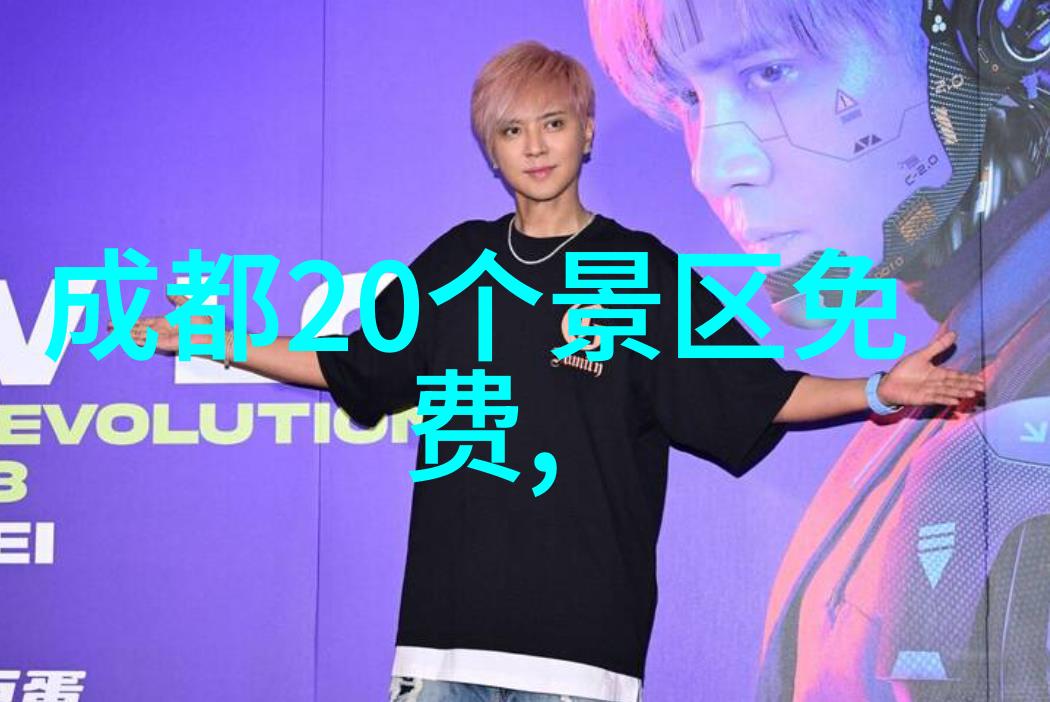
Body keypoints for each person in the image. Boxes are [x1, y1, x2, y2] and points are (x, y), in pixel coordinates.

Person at [118, 41, 982, 702]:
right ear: (491, 151)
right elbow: (350, 365)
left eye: (554, 123)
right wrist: (214, 337)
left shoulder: (639, 271)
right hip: (444, 648)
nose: (535, 146)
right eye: (511, 130)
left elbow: (752, 391)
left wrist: (878, 389)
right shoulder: (455, 264)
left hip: (580, 653)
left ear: (588, 131)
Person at [586, 0, 1050, 699]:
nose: (713, 168)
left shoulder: (1016, 417)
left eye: (770, 72)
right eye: (688, 98)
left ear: (999, 33)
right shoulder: (974, 373)